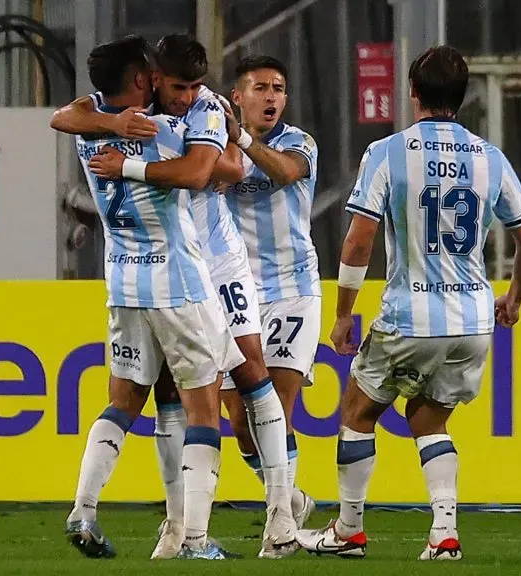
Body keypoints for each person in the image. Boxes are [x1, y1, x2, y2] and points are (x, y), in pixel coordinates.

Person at [52, 35, 300, 560]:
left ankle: (279, 511)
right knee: (199, 399)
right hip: (180, 276)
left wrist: (120, 143)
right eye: (176, 85)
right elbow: (205, 171)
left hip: (177, 267)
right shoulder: (154, 125)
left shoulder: (137, 115)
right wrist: (128, 138)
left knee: (244, 371)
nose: (188, 96)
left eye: (194, 86)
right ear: (149, 78)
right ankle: (187, 533)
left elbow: (228, 170)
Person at [294, 45, 521, 561]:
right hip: (473, 319)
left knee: (358, 411)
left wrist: (343, 314)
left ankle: (347, 531)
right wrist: (514, 298)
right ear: (463, 95)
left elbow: (359, 240)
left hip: (411, 313)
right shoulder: (489, 158)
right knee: (430, 421)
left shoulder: (388, 152)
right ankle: (445, 535)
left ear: (412, 94)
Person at [216, 55, 322, 530]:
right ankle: (289, 499)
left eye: (279, 88)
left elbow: (284, 172)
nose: (272, 96)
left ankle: (280, 522)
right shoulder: (215, 148)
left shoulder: (299, 143)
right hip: (234, 294)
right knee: (240, 423)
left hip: (292, 289)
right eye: (261, 87)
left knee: (276, 406)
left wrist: (241, 139)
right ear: (237, 97)